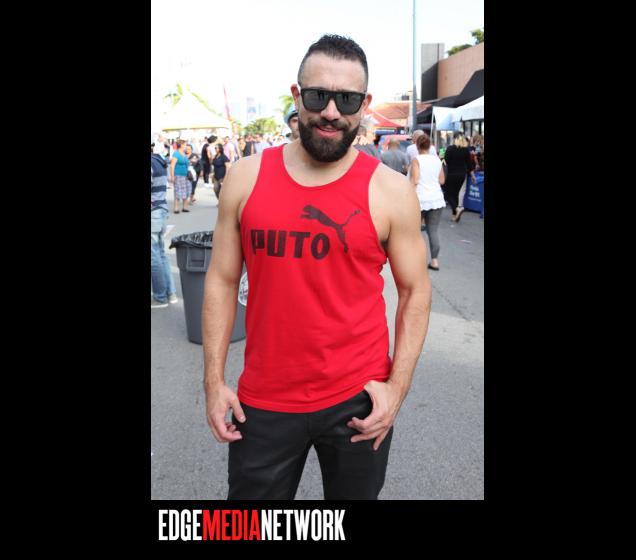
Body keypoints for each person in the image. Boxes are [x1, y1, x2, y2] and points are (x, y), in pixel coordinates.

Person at [202, 34, 432, 501]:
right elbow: (222, 281)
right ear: (296, 96)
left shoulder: (391, 192)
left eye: (346, 99)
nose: (330, 111)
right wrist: (213, 380)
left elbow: (415, 291)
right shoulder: (245, 178)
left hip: (358, 398)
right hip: (263, 400)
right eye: (317, 96)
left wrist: (397, 387)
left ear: (364, 104)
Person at [409, 133, 446, 271]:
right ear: (430, 146)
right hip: (436, 199)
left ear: (417, 146)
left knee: (414, 231)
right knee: (433, 231)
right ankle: (435, 261)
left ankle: (416, 260)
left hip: (420, 199)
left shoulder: (416, 160)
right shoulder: (437, 160)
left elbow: (415, 180)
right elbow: (442, 180)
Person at [151, 142, 178, 307]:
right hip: (160, 210)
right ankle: (170, 293)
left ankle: (160, 296)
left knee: (154, 256)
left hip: (153, 212)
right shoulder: (158, 161)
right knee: (160, 254)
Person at [442, 132, 475, 222]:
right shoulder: (466, 150)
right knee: (455, 194)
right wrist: (473, 176)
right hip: (462, 175)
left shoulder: (450, 149)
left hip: (451, 174)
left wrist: (442, 157)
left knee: (448, 194)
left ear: (454, 139)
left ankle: (457, 209)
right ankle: (455, 215)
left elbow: (445, 162)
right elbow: (469, 164)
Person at [168, 140, 191, 213]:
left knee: (186, 191)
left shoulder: (184, 154)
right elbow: (172, 166)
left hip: (186, 175)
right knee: (177, 191)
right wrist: (172, 176)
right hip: (178, 175)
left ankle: (185, 207)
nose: (186, 146)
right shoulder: (176, 154)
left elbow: (187, 164)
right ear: (181, 145)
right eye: (185, 144)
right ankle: (176, 208)